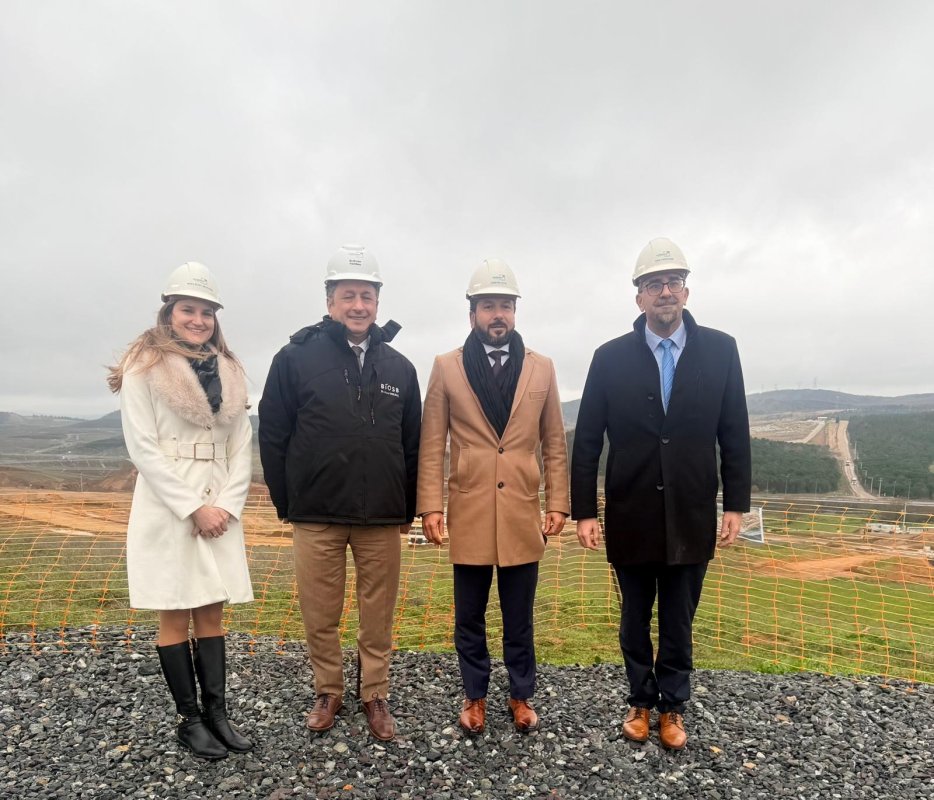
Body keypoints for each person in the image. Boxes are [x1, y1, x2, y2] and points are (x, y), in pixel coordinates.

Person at [571, 238, 751, 750]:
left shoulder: (721, 350)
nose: (665, 291)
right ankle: (639, 700)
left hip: (692, 511)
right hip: (631, 512)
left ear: (687, 291)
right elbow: (587, 439)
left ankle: (673, 705)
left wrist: (736, 503)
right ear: (639, 297)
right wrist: (585, 511)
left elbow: (734, 431)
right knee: (634, 617)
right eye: (654, 284)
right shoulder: (609, 358)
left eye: (673, 282)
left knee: (678, 618)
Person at [258, 244, 421, 741]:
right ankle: (328, 690)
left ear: (377, 301)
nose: (358, 305)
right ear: (330, 300)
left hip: (381, 516)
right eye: (348, 295)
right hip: (316, 513)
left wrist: (407, 508)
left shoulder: (400, 368)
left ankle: (375, 693)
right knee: (319, 611)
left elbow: (413, 444)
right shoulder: (294, 358)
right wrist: (288, 502)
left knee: (378, 614)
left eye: (366, 296)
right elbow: (273, 434)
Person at [108, 262, 254, 761]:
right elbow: (142, 447)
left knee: (211, 609)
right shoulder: (144, 366)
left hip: (221, 500)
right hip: (169, 504)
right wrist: (194, 508)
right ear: (169, 312)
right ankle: (189, 720)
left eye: (207, 312)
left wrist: (226, 505)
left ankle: (218, 715)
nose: (198, 320)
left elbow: (242, 445)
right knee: (174, 608)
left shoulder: (230, 370)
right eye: (188, 309)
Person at [417, 259, 570, 735]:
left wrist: (558, 501)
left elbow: (554, 441)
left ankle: (521, 694)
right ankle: (475, 694)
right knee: (470, 616)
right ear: (472, 314)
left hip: (522, 509)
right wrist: (431, 505)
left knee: (519, 616)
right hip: (469, 508)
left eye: (505, 305)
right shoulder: (446, 367)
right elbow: (432, 442)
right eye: (488, 305)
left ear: (515, 311)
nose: (497, 314)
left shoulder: (542, 368)